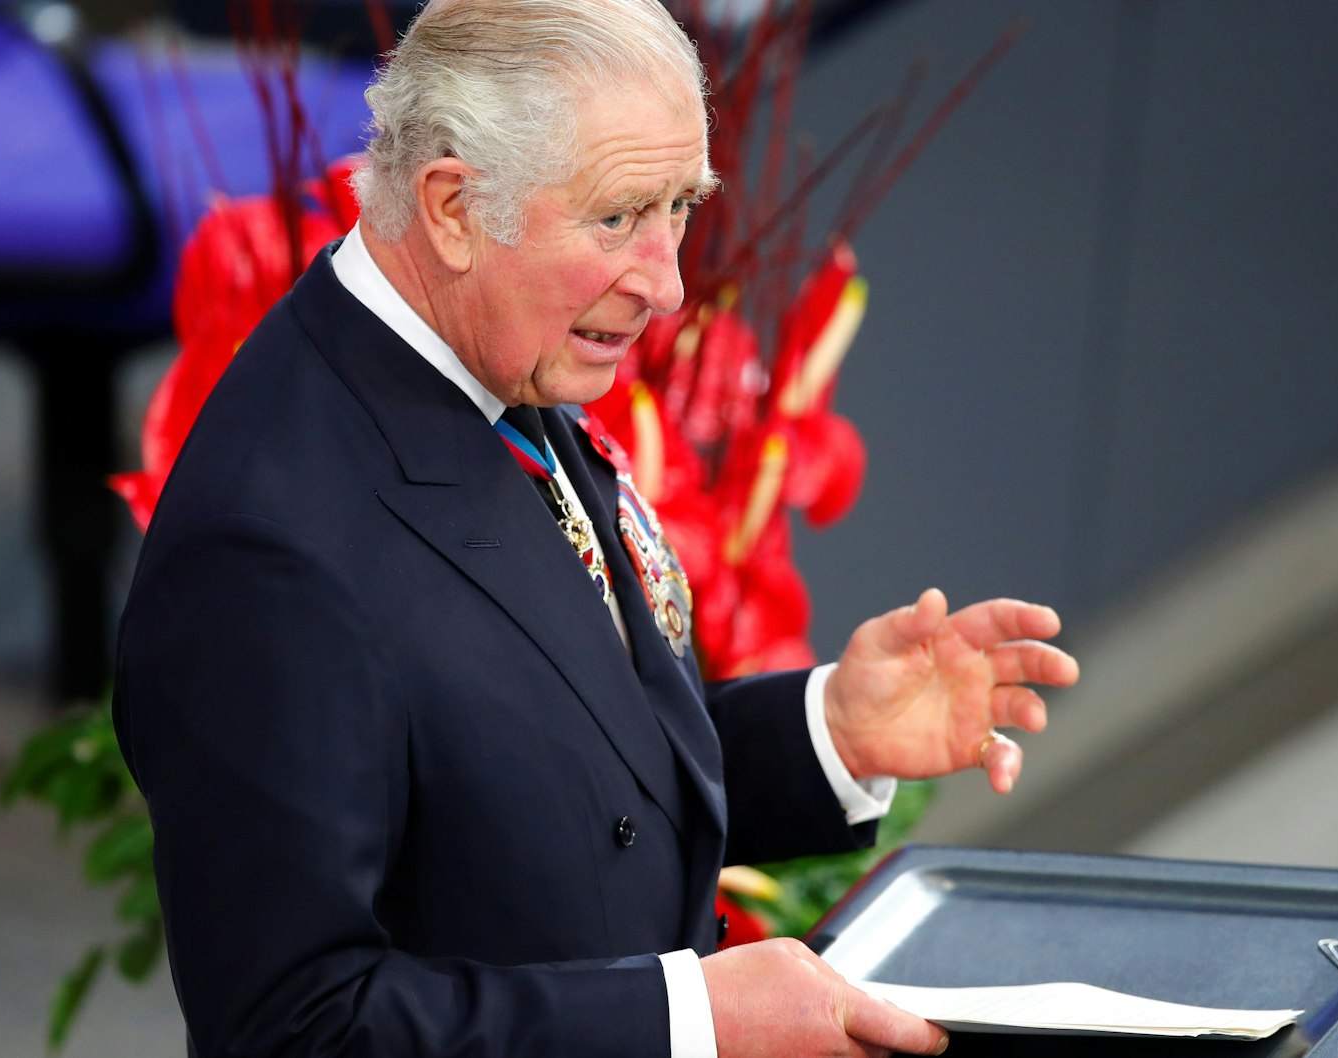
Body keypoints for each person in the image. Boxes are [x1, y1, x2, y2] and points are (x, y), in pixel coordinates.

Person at [112, 0, 1080, 1055]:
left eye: (679, 206)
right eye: (618, 217)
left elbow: (548, 780)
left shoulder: (490, 361)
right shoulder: (265, 551)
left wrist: (827, 732)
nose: (666, 284)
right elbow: (292, 1028)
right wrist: (690, 1019)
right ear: (452, 207)